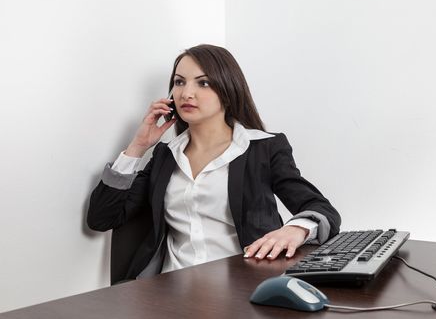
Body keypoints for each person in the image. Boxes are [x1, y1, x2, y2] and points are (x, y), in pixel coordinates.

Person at [87, 44, 341, 281]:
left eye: (203, 83)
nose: (186, 93)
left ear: (228, 91)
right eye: (179, 82)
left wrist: (295, 230)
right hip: (168, 293)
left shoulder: (263, 149)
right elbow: (101, 218)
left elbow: (320, 208)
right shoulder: (165, 155)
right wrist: (137, 147)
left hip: (245, 288)